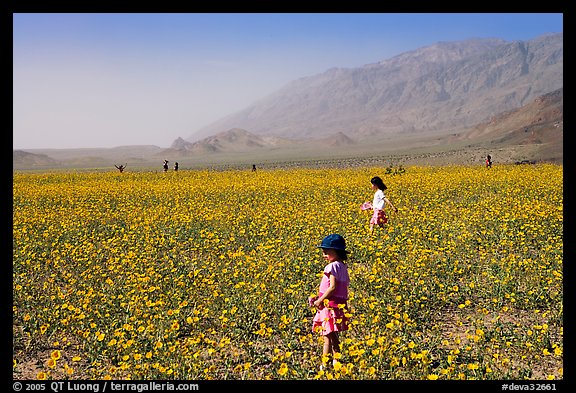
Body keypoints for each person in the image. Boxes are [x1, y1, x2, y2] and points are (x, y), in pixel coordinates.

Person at [309, 234, 350, 371]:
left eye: (327, 252)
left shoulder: (331, 267)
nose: (324, 255)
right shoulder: (343, 267)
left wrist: (320, 300)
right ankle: (336, 361)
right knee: (333, 335)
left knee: (327, 336)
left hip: (329, 306)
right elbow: (341, 289)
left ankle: (324, 365)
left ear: (337, 252)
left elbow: (332, 287)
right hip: (338, 305)